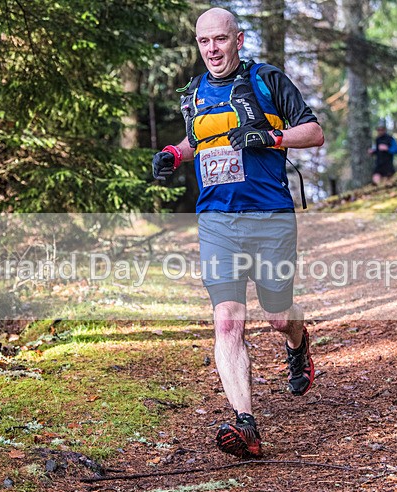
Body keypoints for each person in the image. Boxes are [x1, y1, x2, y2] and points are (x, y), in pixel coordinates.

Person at [151, 8, 324, 458]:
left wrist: (272, 138)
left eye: (220, 40)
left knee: (279, 317)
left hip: (270, 218)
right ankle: (245, 424)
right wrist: (174, 152)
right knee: (228, 319)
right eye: (204, 41)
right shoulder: (194, 93)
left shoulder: (267, 80)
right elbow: (199, 140)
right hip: (216, 223)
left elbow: (314, 132)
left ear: (238, 39)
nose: (212, 49)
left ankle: (299, 342)